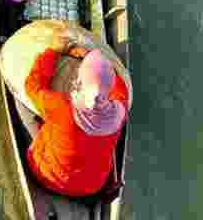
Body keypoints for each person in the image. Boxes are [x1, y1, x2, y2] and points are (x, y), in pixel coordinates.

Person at [25, 43, 129, 197]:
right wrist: (95, 62)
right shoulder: (120, 112)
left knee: (26, 105)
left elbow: (32, 86)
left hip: (47, 176)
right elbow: (119, 87)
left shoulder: (61, 107)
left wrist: (54, 51)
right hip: (93, 187)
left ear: (80, 80)